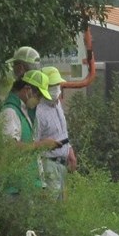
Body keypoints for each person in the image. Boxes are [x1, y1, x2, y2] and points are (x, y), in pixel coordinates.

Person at [35, 66, 76, 197]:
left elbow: (63, 133)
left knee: (62, 207)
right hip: (49, 165)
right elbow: (34, 144)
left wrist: (70, 151)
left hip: (62, 165)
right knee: (51, 207)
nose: (56, 88)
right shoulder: (38, 112)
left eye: (57, 84)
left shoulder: (57, 104)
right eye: (53, 85)